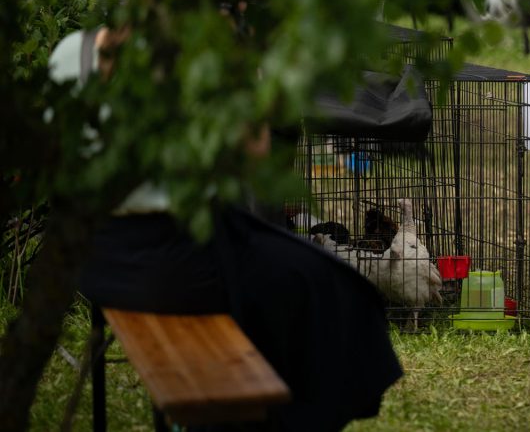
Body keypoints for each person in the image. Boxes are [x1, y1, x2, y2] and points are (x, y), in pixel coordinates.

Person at [48, 27, 403, 430]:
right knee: (329, 286)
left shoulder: (71, 51)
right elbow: (253, 155)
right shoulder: (194, 59)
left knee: (295, 272)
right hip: (176, 261)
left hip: (98, 260)